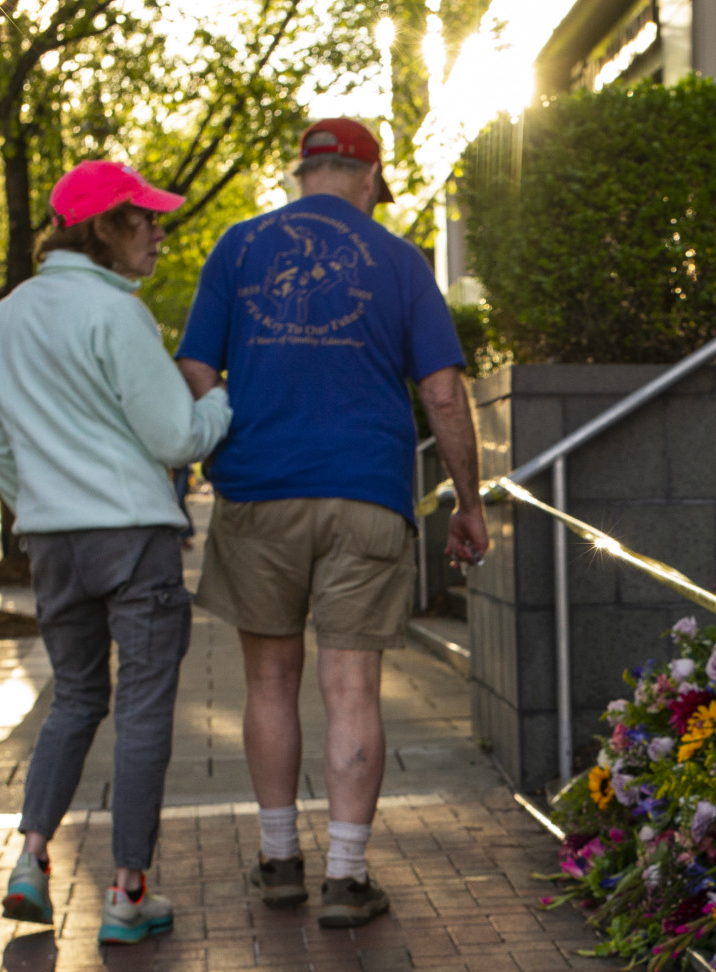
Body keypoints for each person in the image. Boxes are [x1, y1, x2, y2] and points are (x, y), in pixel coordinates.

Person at [175, 116, 488, 929]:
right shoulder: (401, 261)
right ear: (370, 176)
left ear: (299, 170)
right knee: (352, 687)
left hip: (258, 492)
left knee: (269, 681)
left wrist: (222, 426)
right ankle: (347, 879)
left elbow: (195, 363)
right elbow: (445, 395)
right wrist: (469, 498)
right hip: (368, 493)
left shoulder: (237, 248)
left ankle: (280, 860)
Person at [0, 159, 232, 945]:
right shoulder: (119, 315)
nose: (159, 231)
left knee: (76, 698)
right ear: (104, 227)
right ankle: (128, 893)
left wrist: (47, 500)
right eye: (145, 219)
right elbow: (174, 436)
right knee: (143, 707)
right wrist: (222, 397)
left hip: (52, 542)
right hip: (132, 535)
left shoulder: (8, 317)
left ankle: (30, 861)